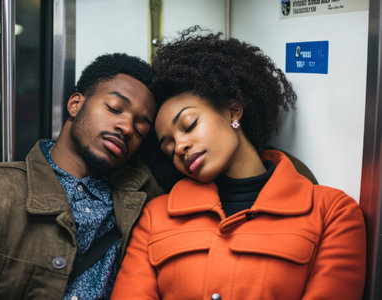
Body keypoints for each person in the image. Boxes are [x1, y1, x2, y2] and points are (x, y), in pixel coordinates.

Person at [111, 28, 367, 299]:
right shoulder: (155, 216)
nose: (181, 147)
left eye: (189, 125)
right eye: (169, 146)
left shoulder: (333, 213)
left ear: (233, 111)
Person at [0, 53, 164, 299]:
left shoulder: (145, 204)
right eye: (114, 108)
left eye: (141, 127)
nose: (127, 128)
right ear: (75, 104)